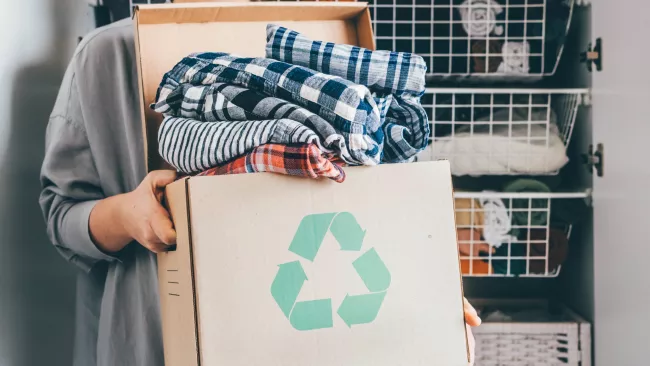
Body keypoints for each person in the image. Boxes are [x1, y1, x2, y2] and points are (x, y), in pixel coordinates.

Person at [39, 18, 480, 366]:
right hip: (153, 337)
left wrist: (428, 297)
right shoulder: (107, 55)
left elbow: (376, 204)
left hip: (316, 343)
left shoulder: (326, 48)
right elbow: (61, 218)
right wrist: (128, 215)